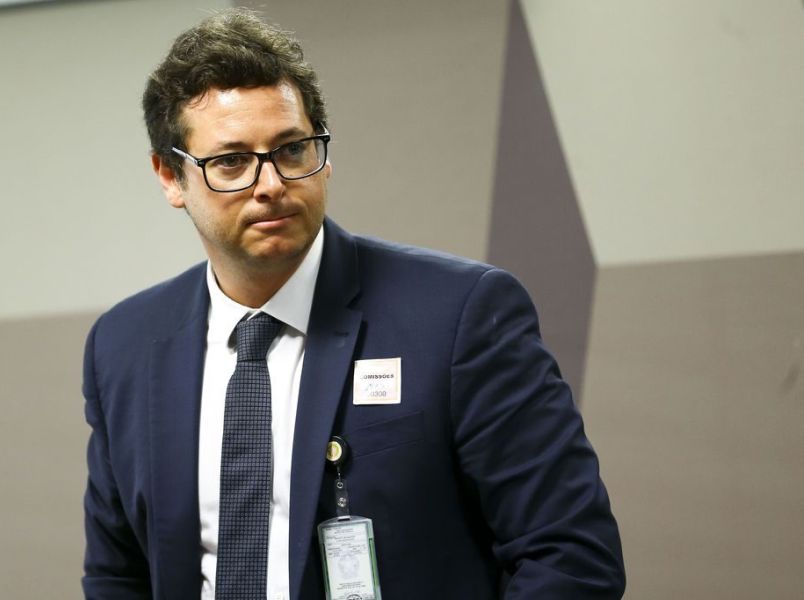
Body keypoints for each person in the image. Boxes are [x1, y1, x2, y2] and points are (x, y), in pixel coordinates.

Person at [82, 9, 625, 600]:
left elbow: (570, 555)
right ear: (170, 177)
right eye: (231, 162)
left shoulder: (458, 315)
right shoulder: (124, 346)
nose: (271, 185)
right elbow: (118, 577)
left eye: (293, 149)